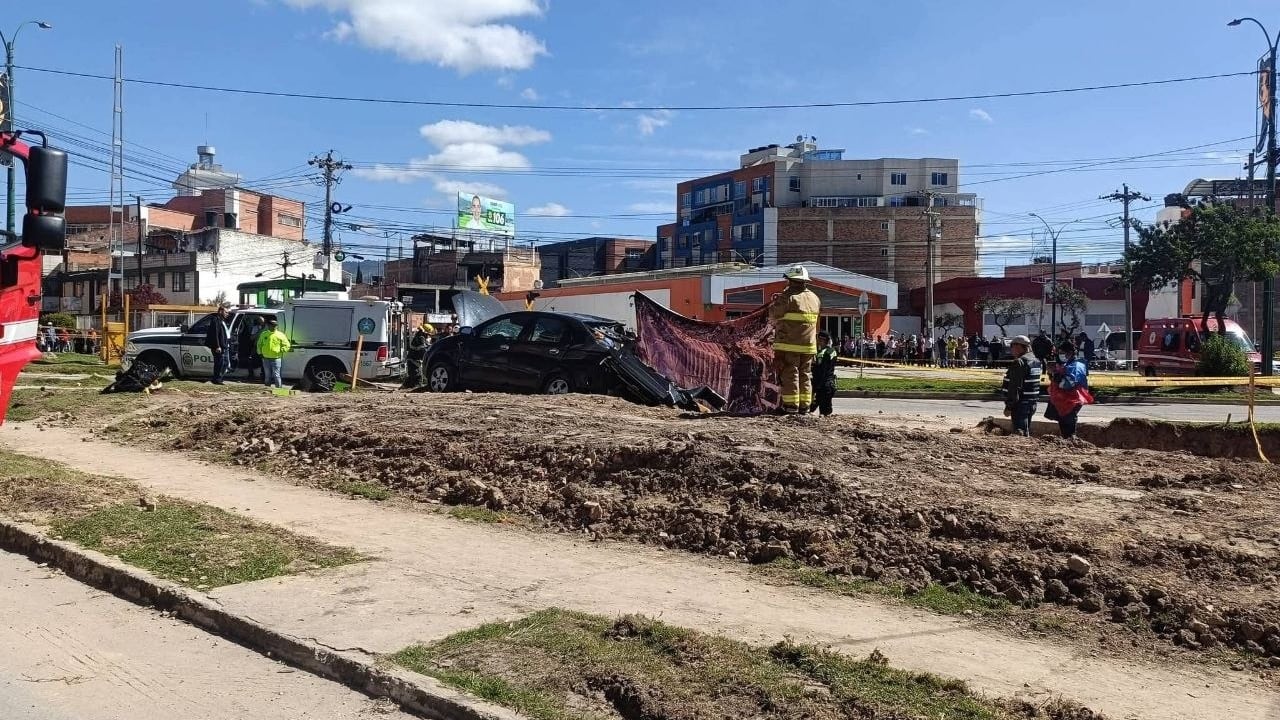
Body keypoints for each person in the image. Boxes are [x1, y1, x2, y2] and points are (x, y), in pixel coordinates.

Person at [768, 264, 821, 414]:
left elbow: (773, 314)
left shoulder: (787, 297)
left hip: (789, 344)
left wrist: (778, 299)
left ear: (790, 280)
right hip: (809, 346)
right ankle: (805, 406)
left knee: (790, 374)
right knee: (805, 375)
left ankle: (791, 406)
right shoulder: (814, 298)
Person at [1047, 340, 1093, 439]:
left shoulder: (1075, 366)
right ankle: (1067, 440)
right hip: (1068, 400)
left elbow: (1067, 384)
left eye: (1062, 353)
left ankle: (1070, 440)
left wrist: (1056, 376)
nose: (1061, 355)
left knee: (1068, 424)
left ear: (1069, 353)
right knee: (1064, 422)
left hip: (1072, 400)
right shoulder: (1071, 364)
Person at [1002, 335, 1042, 436]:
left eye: (1012, 346)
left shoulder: (1020, 362)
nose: (1011, 349)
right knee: (1025, 430)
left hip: (1020, 403)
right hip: (1032, 402)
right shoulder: (1035, 361)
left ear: (1019, 347)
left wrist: (1009, 406)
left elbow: (1015, 386)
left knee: (1019, 432)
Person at [808, 331, 838, 416]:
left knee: (825, 409)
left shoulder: (829, 351)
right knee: (812, 405)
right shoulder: (820, 351)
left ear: (826, 341)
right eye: (819, 340)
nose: (819, 342)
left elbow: (824, 368)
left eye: (821, 340)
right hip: (818, 382)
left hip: (825, 383)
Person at [256, 317, 291, 388]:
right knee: (267, 375)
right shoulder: (264, 334)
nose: (274, 326)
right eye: (272, 325)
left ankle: (278, 390)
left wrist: (281, 350)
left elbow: (287, 345)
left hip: (276, 358)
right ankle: (267, 389)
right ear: (268, 326)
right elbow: (259, 344)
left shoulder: (280, 335)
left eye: (275, 325)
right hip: (266, 358)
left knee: (276, 375)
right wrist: (260, 353)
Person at [205, 305, 232, 385]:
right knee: (219, 363)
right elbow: (215, 334)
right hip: (219, 346)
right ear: (220, 311)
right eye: (226, 312)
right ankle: (216, 379)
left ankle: (219, 377)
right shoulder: (215, 320)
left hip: (225, 345)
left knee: (225, 363)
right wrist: (217, 346)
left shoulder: (222, 320)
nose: (227, 314)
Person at [404, 322, 433, 389]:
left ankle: (404, 387)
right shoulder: (420, 338)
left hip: (412, 359)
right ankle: (417, 388)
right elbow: (423, 350)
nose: (428, 335)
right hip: (414, 359)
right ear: (425, 332)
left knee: (412, 375)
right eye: (428, 334)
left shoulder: (419, 337)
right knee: (417, 375)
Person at [239, 316, 264, 382]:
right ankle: (251, 374)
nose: (261, 322)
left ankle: (263, 376)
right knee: (250, 360)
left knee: (264, 362)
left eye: (262, 321)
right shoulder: (256, 328)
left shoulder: (267, 328)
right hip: (256, 346)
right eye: (260, 321)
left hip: (264, 347)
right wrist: (259, 332)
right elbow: (252, 338)